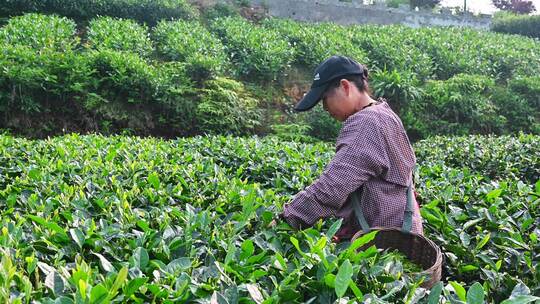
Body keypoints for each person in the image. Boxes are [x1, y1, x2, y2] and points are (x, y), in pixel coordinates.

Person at [278, 55, 423, 241]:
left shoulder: (365, 123)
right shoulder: (384, 113)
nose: (324, 108)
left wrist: (287, 219)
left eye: (325, 98)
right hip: (403, 233)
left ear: (345, 87)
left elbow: (332, 187)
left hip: (383, 243)